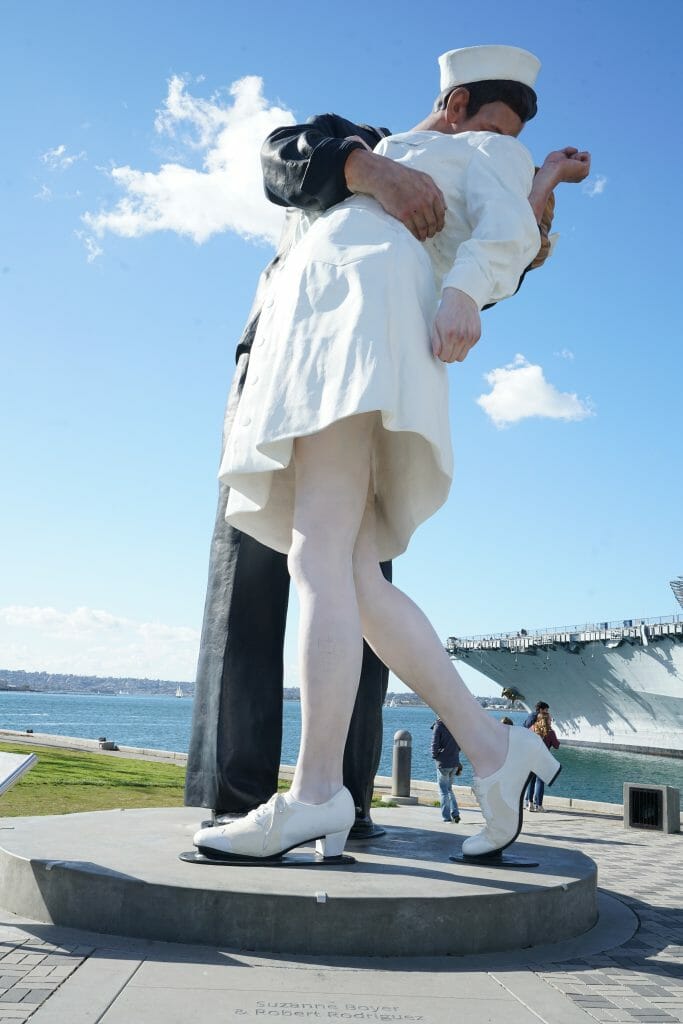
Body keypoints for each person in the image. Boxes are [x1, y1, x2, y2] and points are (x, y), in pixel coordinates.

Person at [193, 43, 590, 863]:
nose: (499, 139)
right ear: (455, 106)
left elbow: (506, 233)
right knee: (348, 573)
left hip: (352, 320)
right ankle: (491, 749)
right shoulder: (382, 147)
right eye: (491, 120)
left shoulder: (478, 148)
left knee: (318, 557)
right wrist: (527, 191)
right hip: (330, 325)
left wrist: (465, 284)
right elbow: (284, 159)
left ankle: (314, 795)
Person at [525, 710, 560, 811]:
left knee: (531, 781)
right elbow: (556, 746)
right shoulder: (550, 732)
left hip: (531, 758)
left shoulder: (532, 728)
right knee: (540, 782)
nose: (551, 721)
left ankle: (529, 804)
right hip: (543, 759)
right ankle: (539, 805)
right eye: (550, 719)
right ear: (547, 720)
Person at [431, 718, 462, 823]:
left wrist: (435, 756)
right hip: (454, 762)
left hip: (443, 763)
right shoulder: (456, 725)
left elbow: (434, 743)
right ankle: (456, 813)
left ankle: (446, 817)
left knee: (443, 791)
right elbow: (460, 744)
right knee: (449, 789)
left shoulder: (438, 725)